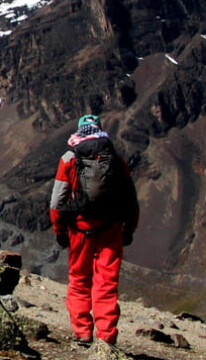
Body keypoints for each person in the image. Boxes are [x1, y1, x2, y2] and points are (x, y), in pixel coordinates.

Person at [49, 114, 139, 352]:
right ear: (100, 129)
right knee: (106, 284)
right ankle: (107, 337)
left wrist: (59, 230)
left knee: (79, 280)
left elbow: (57, 200)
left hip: (79, 230)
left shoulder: (69, 157)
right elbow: (131, 199)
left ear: (80, 130)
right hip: (110, 230)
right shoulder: (115, 159)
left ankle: (82, 333)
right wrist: (129, 228)